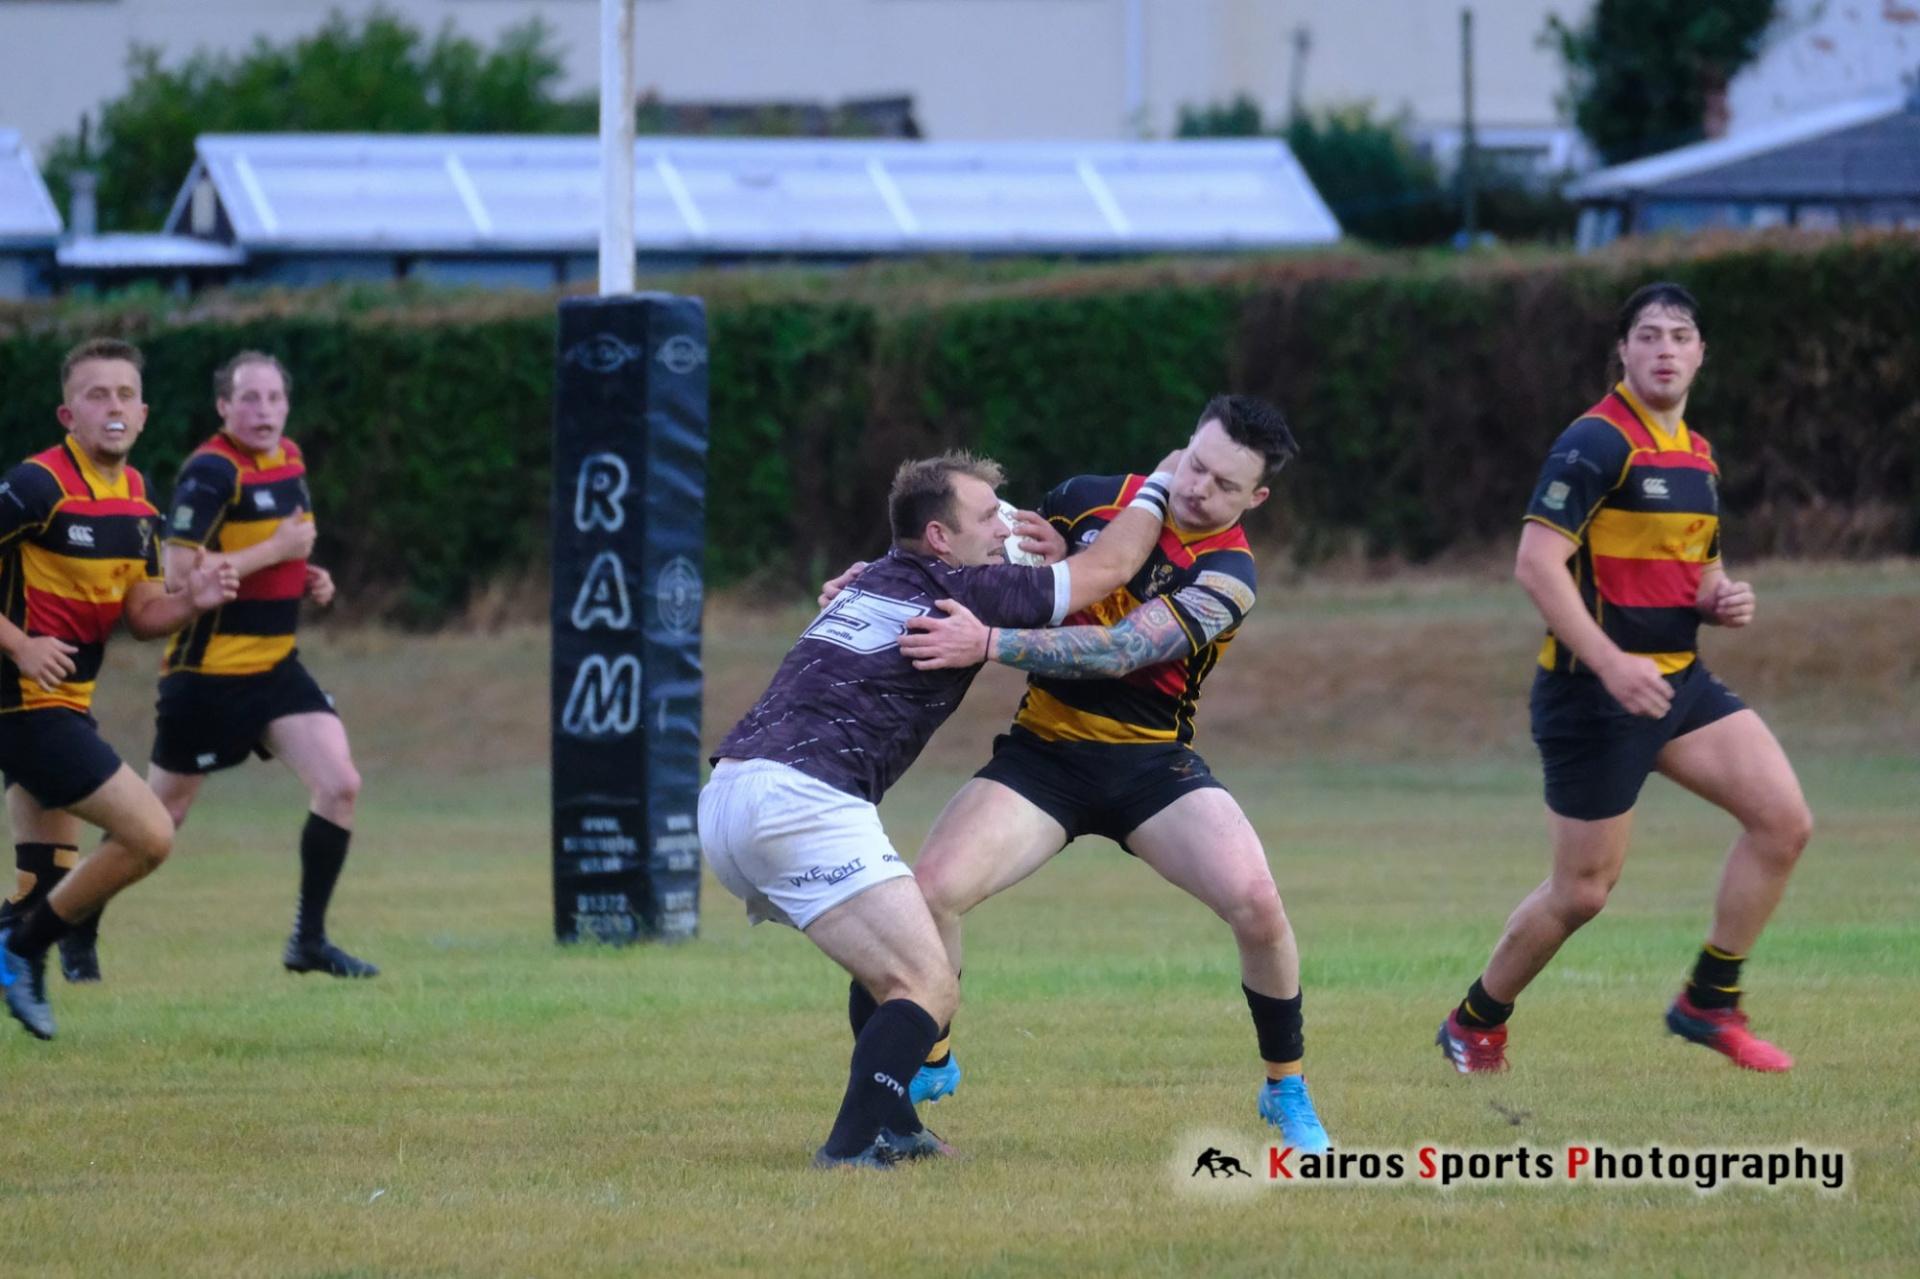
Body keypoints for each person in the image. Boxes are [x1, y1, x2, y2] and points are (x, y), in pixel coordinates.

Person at [839, 394, 1332, 1153]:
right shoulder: (1085, 500)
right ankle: (933, 1053)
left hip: (1151, 765)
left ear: (1255, 498)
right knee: (929, 892)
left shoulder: (1231, 575)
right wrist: (872, 581)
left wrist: (992, 644)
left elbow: (1125, 648)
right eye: (1196, 465)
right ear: (1184, 446)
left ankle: (1285, 1087)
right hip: (1045, 755)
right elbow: (967, 556)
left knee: (1259, 904)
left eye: (1225, 485)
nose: (1201, 488)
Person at [702, 447, 1176, 1168]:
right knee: (928, 985)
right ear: (939, 538)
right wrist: (1165, 482)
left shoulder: (873, 579)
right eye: (988, 516)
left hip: (731, 794)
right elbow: (1106, 571)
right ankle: (850, 1146)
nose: (1007, 526)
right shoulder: (968, 591)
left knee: (889, 972)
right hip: (802, 800)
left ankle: (893, 1126)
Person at [1435, 281, 1813, 1075]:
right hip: (1591, 696)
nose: (1665, 348)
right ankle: (1473, 1022)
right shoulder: (1595, 441)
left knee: (1783, 822)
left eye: (1681, 334)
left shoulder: (1698, 455)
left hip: (1679, 685)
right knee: (1582, 893)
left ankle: (1708, 1002)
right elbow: (1536, 564)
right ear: (1624, 350)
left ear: (1702, 352)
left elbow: (1697, 564)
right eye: (1649, 335)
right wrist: (1608, 662)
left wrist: (1720, 596)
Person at [0, 338, 239, 1040]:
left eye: (126, 395)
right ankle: (19, 948)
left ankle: (18, 937)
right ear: (67, 413)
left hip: (65, 703)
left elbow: (141, 615)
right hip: (21, 704)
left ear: (144, 414)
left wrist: (193, 598)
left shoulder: (138, 500)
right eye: (97, 395)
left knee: (44, 883)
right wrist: (19, 642)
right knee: (150, 834)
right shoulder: (36, 485)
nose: (114, 407)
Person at [125, 351, 375, 982]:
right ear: (223, 407)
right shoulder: (211, 471)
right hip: (207, 678)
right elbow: (182, 574)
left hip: (275, 669)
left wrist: (304, 574)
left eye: (274, 398)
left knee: (340, 784)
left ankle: (308, 941)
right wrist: (279, 550)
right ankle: (71, 928)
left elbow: (268, 557)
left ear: (287, 405)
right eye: (249, 398)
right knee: (158, 824)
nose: (263, 411)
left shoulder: (289, 458)